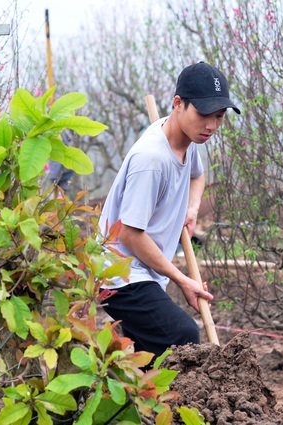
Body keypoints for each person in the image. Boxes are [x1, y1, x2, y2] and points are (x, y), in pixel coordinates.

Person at [99, 62, 240, 360]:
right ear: (178, 103)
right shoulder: (151, 160)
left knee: (144, 359)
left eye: (219, 116)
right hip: (119, 275)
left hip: (142, 272)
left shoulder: (189, 138)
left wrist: (191, 208)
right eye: (204, 114)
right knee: (181, 335)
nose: (212, 126)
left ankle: (134, 403)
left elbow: (197, 176)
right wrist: (182, 279)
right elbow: (130, 234)